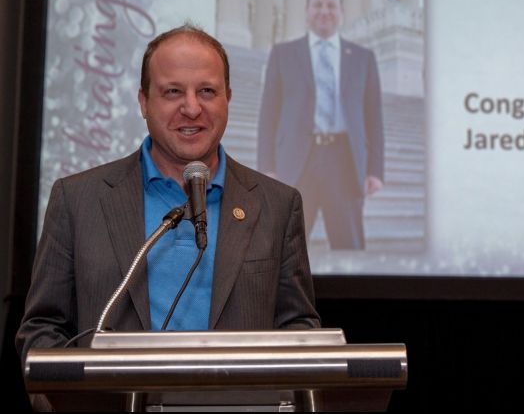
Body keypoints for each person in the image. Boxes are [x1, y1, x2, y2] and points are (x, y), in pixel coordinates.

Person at [16, 24, 320, 361]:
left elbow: (298, 328)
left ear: (228, 99)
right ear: (144, 102)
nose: (192, 108)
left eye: (207, 91)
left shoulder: (277, 206)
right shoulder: (77, 200)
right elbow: (42, 330)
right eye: (173, 92)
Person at [258, 0, 385, 250]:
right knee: (286, 251)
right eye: (318, 5)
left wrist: (375, 170)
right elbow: (268, 115)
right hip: (296, 163)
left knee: (349, 248)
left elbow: (373, 118)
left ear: (341, 11)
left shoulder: (363, 58)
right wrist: (267, 166)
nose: (324, 11)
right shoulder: (283, 55)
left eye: (331, 5)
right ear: (307, 10)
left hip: (345, 163)